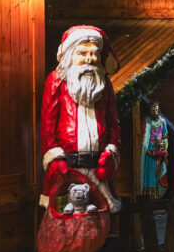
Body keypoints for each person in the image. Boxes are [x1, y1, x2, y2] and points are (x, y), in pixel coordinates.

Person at [40, 24, 121, 215]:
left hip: (99, 169)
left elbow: (113, 122)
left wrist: (111, 153)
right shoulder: (57, 81)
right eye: (82, 53)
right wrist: (54, 161)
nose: (89, 59)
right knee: (65, 223)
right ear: (70, 55)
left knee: (100, 221)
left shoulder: (104, 85)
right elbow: (48, 125)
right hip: (67, 170)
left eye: (94, 53)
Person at [140, 101, 169, 198]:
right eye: (153, 110)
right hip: (149, 150)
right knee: (149, 172)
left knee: (158, 172)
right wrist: (148, 151)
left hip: (159, 149)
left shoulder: (162, 121)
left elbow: (165, 136)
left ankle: (157, 193)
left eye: (156, 110)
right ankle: (147, 194)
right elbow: (143, 139)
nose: (155, 113)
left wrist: (164, 146)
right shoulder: (146, 121)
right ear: (149, 111)